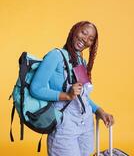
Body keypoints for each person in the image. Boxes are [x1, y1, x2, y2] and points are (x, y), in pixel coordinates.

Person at [30, 21, 114, 156]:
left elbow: (83, 96)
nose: (85, 39)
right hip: (64, 127)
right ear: (74, 31)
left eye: (91, 39)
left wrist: (99, 111)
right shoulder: (55, 56)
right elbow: (36, 88)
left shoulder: (80, 61)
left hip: (86, 125)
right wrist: (66, 95)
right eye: (83, 33)